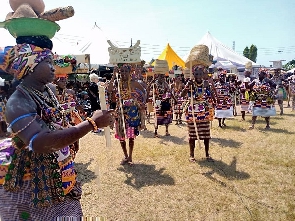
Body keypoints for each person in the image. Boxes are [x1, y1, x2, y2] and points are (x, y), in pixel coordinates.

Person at [0, 43, 113, 220]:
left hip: (60, 179)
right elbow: (40, 142)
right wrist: (91, 123)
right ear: (30, 66)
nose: (54, 68)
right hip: (33, 187)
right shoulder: (18, 101)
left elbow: (57, 123)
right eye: (48, 62)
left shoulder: (47, 92)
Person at [108, 64, 146, 165]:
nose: (123, 73)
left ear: (130, 73)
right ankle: (125, 156)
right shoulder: (117, 82)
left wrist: (142, 104)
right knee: (121, 136)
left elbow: (144, 91)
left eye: (125, 71)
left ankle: (130, 156)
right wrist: (113, 75)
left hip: (132, 112)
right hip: (120, 113)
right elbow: (109, 89)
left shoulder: (134, 83)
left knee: (131, 136)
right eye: (122, 71)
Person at [181, 66, 216, 162]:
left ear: (203, 74)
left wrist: (213, 101)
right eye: (196, 74)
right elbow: (182, 95)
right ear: (193, 75)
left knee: (206, 134)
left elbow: (210, 94)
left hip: (204, 111)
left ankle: (207, 154)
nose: (199, 76)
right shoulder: (190, 83)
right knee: (192, 134)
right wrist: (188, 86)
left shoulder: (206, 83)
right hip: (192, 112)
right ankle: (191, 155)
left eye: (200, 74)